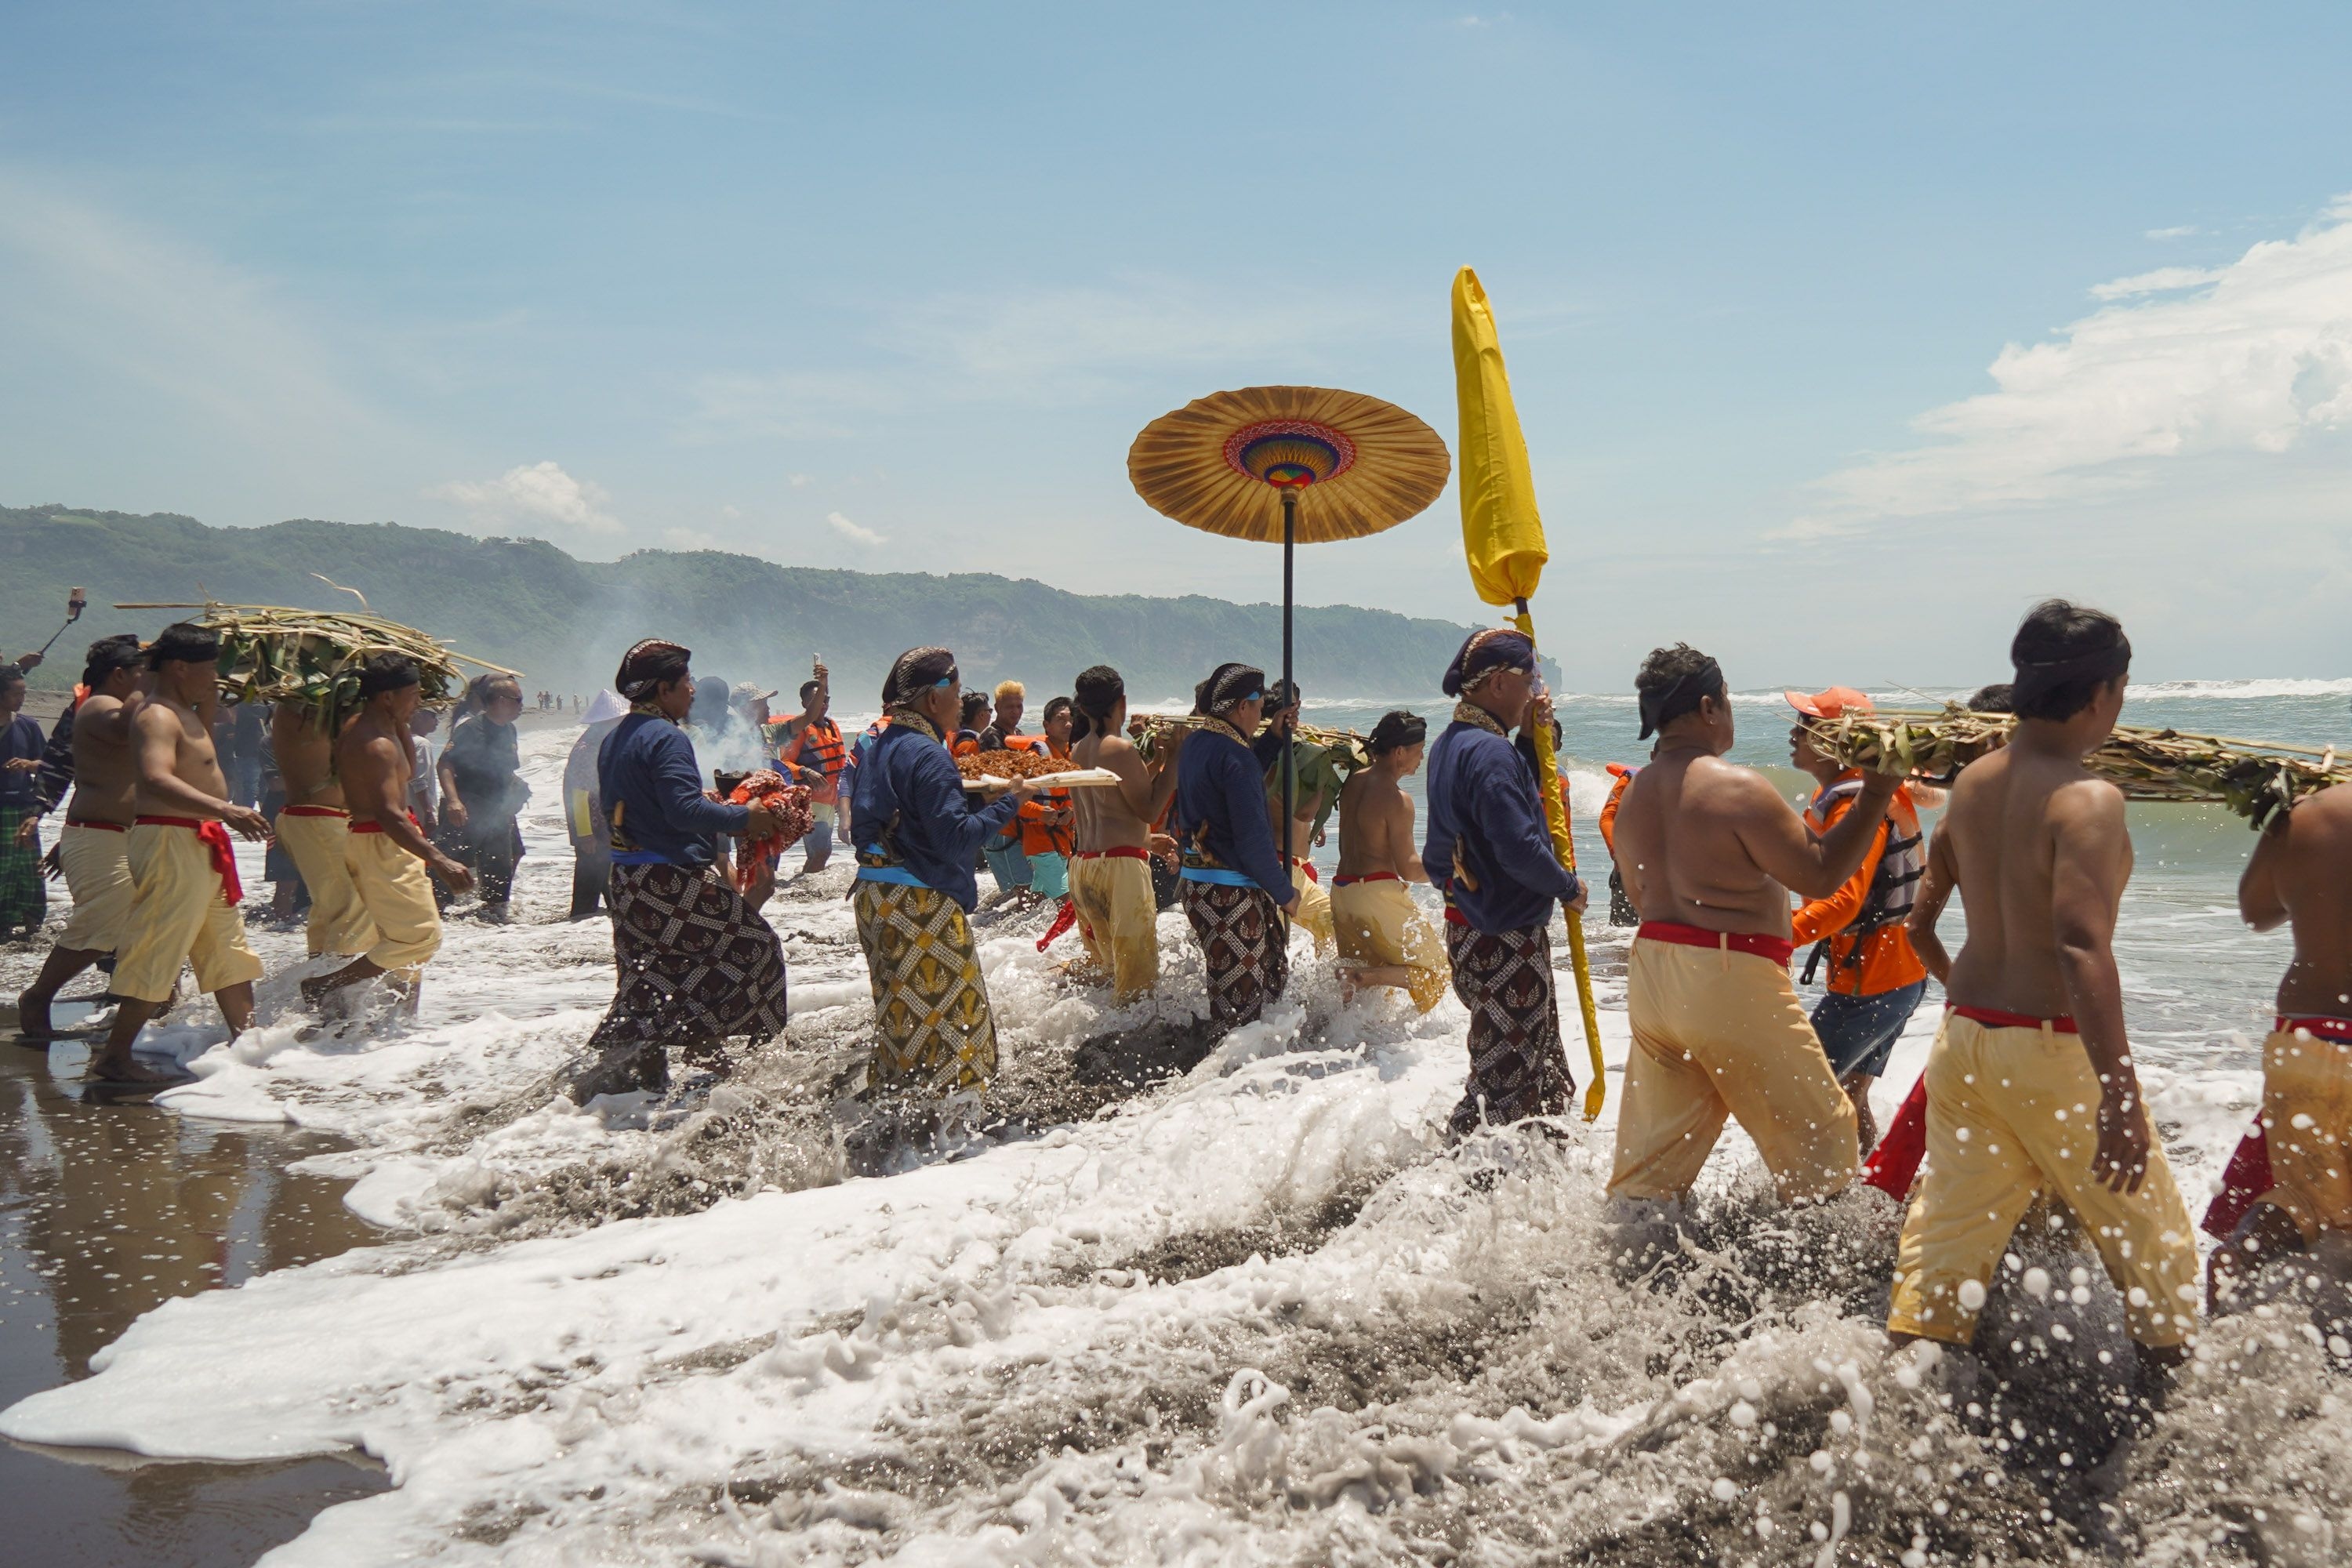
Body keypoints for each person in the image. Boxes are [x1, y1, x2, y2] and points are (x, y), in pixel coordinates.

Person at [1886, 602, 2199, 1392]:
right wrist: (2121, 1091)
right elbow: (2079, 944)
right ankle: (2184, 1429)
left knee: (1945, 1247)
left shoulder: (1975, 782)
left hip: (1966, 1038)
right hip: (2052, 1049)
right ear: (2098, 695)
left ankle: (1898, 1404)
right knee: (2155, 1249)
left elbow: (1936, 915)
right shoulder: (2087, 797)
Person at [1606, 643, 1891, 1205]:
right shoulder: (1737, 788)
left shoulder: (1634, 793)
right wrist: (1878, 791)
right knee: (1826, 1139)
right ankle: (1823, 1281)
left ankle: (1622, 1268)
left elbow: (1638, 892)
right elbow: (1820, 874)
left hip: (1654, 978)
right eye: (1729, 700)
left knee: (1652, 1174)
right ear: (1710, 706)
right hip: (1728, 976)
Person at [572, 641, 792, 1098]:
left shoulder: (618, 735)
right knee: (757, 949)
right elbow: (681, 811)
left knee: (651, 975)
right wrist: (744, 816)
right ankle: (753, 1065)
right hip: (668, 880)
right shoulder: (667, 737)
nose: (692, 691)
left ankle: (635, 1074)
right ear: (664, 689)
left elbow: (647, 805)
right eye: (685, 683)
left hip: (630, 881)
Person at [849, 648, 1042, 1094]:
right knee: (957, 1029)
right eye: (955, 694)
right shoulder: (928, 753)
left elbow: (910, 817)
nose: (961, 703)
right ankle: (952, 1135)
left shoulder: (879, 745)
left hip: (875, 896)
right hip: (918, 905)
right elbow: (954, 838)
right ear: (933, 700)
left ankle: (896, 1112)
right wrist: (1012, 800)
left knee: (903, 1024)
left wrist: (977, 800)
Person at [91, 623, 272, 1085]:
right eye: (209, 669)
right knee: (159, 944)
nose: (215, 677)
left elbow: (210, 706)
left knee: (227, 946)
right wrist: (225, 808)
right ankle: (114, 1057)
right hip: (171, 839)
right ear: (178, 668)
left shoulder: (186, 708)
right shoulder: (157, 716)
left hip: (200, 840)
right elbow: (155, 778)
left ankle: (248, 1049)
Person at [1423, 633, 1589, 1132]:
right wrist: (1568, 887)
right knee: (1508, 1087)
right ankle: (1464, 1189)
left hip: (1472, 926)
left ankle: (1535, 1184)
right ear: (1497, 683)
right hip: (1505, 938)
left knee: (1536, 1070)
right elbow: (1517, 847)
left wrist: (1532, 738)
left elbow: (1511, 795)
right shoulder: (1488, 753)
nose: (1533, 691)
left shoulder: (1454, 743)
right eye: (1527, 681)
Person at [2205, 764, 2352, 1311]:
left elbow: (2255, 910)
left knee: (2298, 1202)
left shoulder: (2309, 814)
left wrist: (2278, 823)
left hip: (2307, 1041)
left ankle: (2236, 1268)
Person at [1785, 687, 1929, 1153]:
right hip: (1895, 978)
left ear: (1834, 741)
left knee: (1804, 1098)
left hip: (1874, 986)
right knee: (1849, 1097)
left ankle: (1821, 1206)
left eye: (1804, 727)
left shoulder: (1854, 805)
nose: (1792, 734)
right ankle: (1868, 1196)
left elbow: (1845, 902)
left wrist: (1776, 938)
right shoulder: (1848, 792)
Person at [304, 656, 475, 1008]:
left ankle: (400, 1018)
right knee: (421, 937)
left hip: (383, 841)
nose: (418, 703)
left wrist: (402, 722)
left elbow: (408, 772)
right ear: (386, 698)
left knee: (402, 938)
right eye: (412, 695)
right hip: (381, 843)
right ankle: (322, 986)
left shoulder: (379, 729)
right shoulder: (374, 743)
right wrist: (439, 858)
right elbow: (387, 812)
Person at [14, 637, 148, 1036]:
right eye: (143, 670)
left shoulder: (143, 710)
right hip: (98, 832)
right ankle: (39, 996)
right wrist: (41, 813)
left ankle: (141, 1003)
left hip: (130, 832)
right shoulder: (95, 706)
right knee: (104, 923)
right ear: (120, 674)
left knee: (143, 921)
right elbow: (60, 763)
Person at [1174, 663, 1299, 1033]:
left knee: (1246, 984)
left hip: (1198, 884)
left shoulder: (1199, 743)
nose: (1262, 714)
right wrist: (1284, 892)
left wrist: (1273, 739)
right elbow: (1252, 839)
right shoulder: (1235, 755)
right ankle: (1227, 1078)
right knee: (1241, 1009)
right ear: (1242, 706)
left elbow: (1230, 783)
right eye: (1259, 706)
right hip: (1229, 892)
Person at [1066, 666, 1181, 1004]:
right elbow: (1147, 810)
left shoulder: (1079, 750)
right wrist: (1174, 758)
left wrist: (1158, 761)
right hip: (1120, 872)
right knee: (1137, 983)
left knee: (1108, 973)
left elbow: (1113, 800)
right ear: (1122, 701)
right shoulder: (1119, 748)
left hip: (1084, 867)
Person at [1333, 710, 1448, 1014]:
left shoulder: (1353, 783)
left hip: (1343, 892)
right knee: (1437, 971)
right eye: (1419, 752)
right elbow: (1410, 869)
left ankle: (1351, 1040)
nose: (1421, 759)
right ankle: (1364, 977)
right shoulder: (1399, 799)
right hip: (1376, 895)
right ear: (1399, 752)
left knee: (1363, 1000)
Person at [271, 700, 377, 963]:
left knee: (331, 903)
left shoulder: (298, 708)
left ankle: (319, 971)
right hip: (319, 818)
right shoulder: (304, 708)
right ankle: (333, 985)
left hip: (315, 819)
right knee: (354, 902)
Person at [1252, 681, 1338, 953]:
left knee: (1280, 941)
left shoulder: (1256, 757)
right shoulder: (1282, 762)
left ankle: (1318, 989)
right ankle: (1325, 987)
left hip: (1283, 864)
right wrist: (1323, 774)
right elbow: (1303, 812)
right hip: (1283, 868)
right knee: (1332, 925)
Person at [438, 675, 529, 919]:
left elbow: (506, 770)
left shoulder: (509, 730)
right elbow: (445, 765)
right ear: (500, 701)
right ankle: (436, 919)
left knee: (499, 869)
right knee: (448, 865)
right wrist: (454, 802)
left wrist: (517, 791)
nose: (522, 705)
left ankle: (493, 920)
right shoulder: (471, 729)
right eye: (517, 700)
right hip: (468, 807)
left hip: (498, 811)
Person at [775, 669, 845, 873]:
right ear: (805, 704)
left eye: (825, 699)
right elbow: (785, 763)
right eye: (816, 699)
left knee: (821, 853)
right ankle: (804, 893)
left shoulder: (832, 726)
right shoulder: (800, 729)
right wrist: (806, 771)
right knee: (821, 851)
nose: (822, 703)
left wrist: (843, 797)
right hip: (811, 801)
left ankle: (803, 890)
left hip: (831, 799)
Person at [564, 691, 626, 918]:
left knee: (606, 878)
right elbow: (579, 794)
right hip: (591, 825)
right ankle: (580, 921)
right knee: (589, 882)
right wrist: (585, 834)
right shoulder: (587, 749)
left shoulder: (601, 742)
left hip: (603, 825)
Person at [1015, 697, 1078, 904]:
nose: (1068, 724)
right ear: (1046, 725)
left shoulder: (1071, 755)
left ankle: (1014, 932)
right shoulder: (1035, 756)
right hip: (1040, 842)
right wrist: (1040, 812)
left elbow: (1070, 796)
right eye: (1061, 719)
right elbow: (1014, 800)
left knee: (1036, 901)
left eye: (1071, 719)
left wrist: (1070, 810)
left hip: (1062, 839)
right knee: (1069, 903)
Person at [974, 680, 1033, 898]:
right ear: (997, 708)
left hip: (1015, 819)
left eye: (1019, 706)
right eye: (1010, 706)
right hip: (1000, 822)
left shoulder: (1017, 733)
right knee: (1023, 892)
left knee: (1023, 891)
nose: (1016, 711)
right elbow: (1005, 775)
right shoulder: (991, 735)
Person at [1, 664, 46, 942]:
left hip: (22, 811)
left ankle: (32, 925)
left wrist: (29, 764)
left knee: (29, 870)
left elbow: (49, 765)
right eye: (17, 694)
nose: (22, 699)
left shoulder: (27, 727)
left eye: (24, 693)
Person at [953, 691, 989, 755]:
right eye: (990, 711)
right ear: (982, 715)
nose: (990, 714)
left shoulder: (958, 737)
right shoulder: (969, 746)